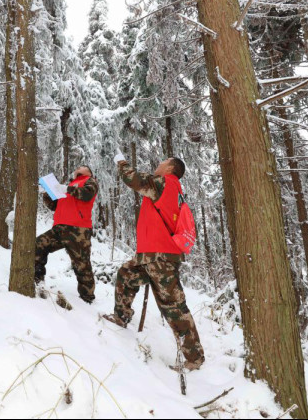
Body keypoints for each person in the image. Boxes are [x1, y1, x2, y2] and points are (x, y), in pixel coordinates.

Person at [103, 153, 205, 371]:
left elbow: (135, 180)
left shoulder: (166, 183)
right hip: (150, 255)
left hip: (161, 257)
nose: (158, 164)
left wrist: (122, 161)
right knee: (126, 274)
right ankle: (121, 317)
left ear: (170, 169)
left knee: (174, 307)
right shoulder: (170, 188)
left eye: (163, 162)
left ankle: (194, 359)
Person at [35, 166, 98, 303]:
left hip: (78, 229)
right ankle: (37, 280)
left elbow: (87, 195)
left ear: (88, 172)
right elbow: (54, 206)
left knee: (81, 264)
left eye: (81, 167)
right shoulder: (69, 184)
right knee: (38, 245)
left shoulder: (89, 181)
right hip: (59, 228)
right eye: (77, 167)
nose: (77, 168)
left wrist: (66, 189)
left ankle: (87, 298)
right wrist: (46, 193)